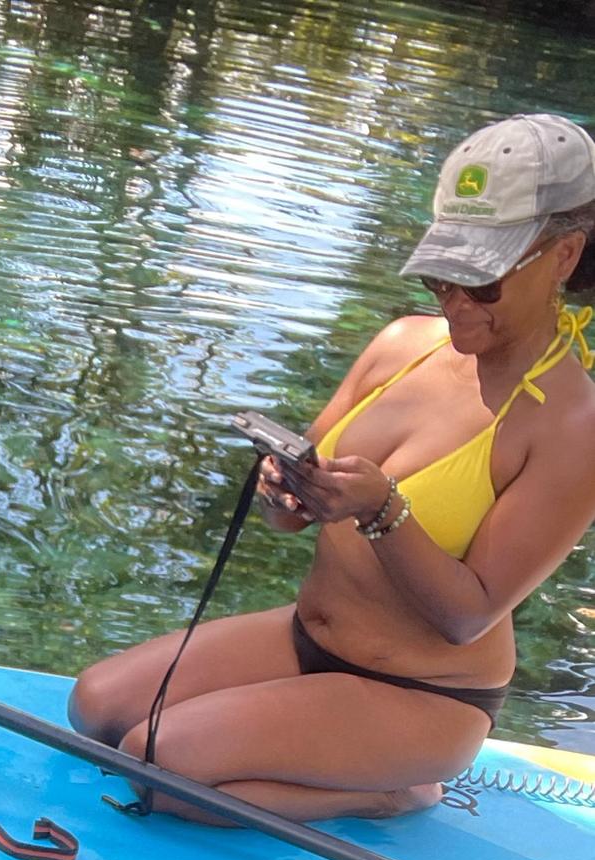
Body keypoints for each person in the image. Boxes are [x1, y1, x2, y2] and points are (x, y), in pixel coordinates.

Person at [70, 112, 595, 823]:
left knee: (158, 765)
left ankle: (394, 790)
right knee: (96, 708)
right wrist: (285, 491)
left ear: (564, 256)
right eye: (444, 275)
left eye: (484, 283)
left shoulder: (572, 425)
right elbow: (292, 512)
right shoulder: (402, 343)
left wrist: (382, 511)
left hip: (424, 695)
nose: (456, 302)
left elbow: (467, 615)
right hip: (307, 636)